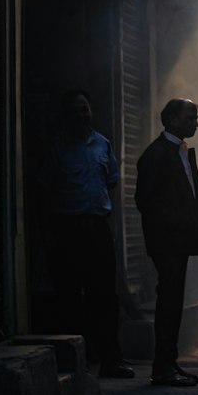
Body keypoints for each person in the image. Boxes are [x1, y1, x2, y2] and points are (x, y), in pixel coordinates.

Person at [39, 90, 134, 379]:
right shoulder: (56, 148)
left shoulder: (103, 145)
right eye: (77, 110)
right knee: (69, 298)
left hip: (97, 230)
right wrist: (48, 233)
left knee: (105, 297)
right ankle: (76, 362)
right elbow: (43, 190)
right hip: (66, 231)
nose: (83, 115)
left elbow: (111, 185)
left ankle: (110, 360)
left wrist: (110, 228)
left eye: (86, 109)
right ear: (66, 115)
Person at [135, 98, 198, 387]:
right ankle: (163, 367)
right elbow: (146, 201)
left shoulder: (177, 151)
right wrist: (176, 224)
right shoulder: (157, 154)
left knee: (173, 301)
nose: (195, 123)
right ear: (173, 120)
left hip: (177, 240)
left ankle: (168, 363)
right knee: (169, 301)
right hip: (168, 241)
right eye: (190, 118)